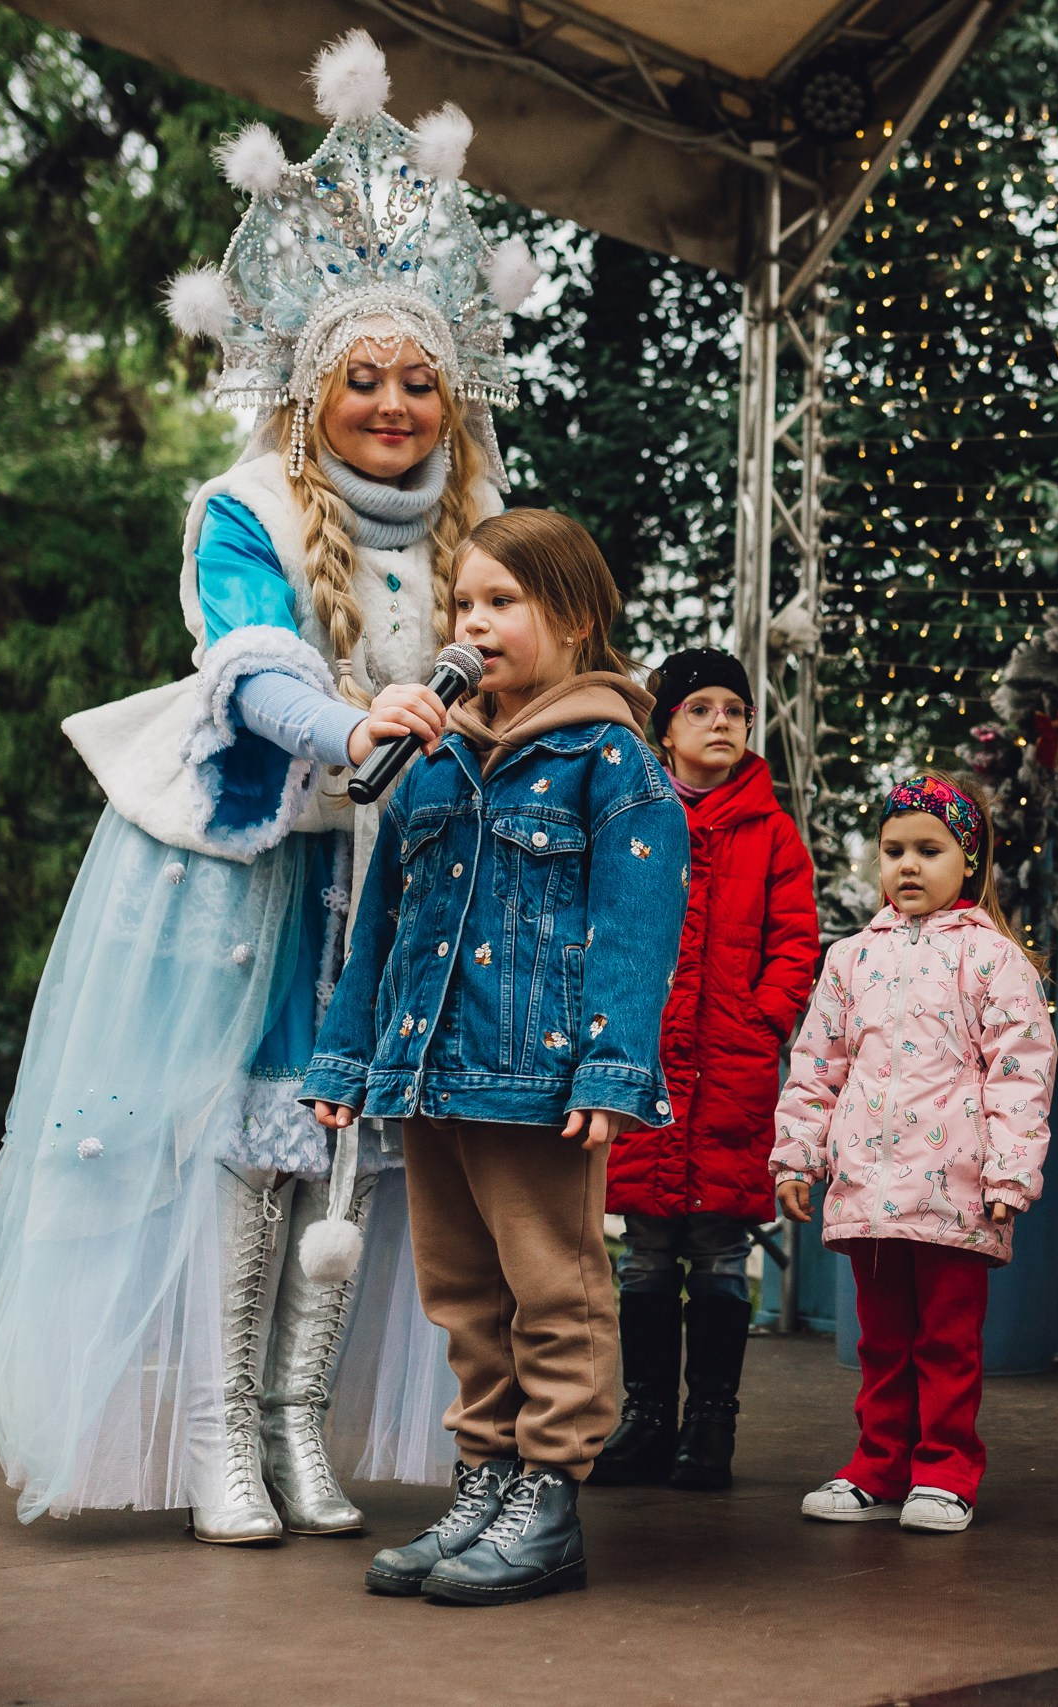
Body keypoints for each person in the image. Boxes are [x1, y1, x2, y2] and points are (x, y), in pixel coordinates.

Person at [0, 31, 535, 1542]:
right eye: (363, 379)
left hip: (400, 877)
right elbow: (252, 671)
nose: (393, 404)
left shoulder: (481, 517)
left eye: (418, 382)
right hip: (257, 865)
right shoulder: (246, 506)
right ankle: (215, 1440)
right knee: (248, 1151)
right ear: (314, 387)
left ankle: (299, 1429)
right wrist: (354, 733)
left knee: (362, 1159)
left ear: (452, 396)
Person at [305, 509, 688, 1607]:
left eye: (502, 602)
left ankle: (550, 1497)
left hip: (540, 1082)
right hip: (431, 1070)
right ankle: (485, 1476)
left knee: (551, 1287)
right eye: (463, 603)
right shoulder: (433, 760)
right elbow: (377, 920)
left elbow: (635, 926)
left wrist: (611, 1073)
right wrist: (346, 1060)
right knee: (462, 1292)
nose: (473, 623)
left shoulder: (610, 763)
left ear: (573, 618)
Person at [772, 771, 1056, 1536]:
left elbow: (1022, 1070)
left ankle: (946, 1468)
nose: (907, 865)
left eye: (929, 849)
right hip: (867, 1187)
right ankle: (878, 1462)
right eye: (893, 848)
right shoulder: (850, 959)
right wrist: (797, 1157)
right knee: (881, 1337)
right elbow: (817, 1062)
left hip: (956, 1189)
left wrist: (1009, 1173)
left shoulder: (994, 960)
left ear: (969, 860)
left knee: (947, 1339)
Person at [592, 648, 819, 1492]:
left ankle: (711, 1421)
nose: (721, 721)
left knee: (722, 1246)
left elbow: (795, 939)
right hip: (646, 1064)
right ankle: (645, 1414)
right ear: (665, 726)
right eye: (701, 709)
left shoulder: (772, 829)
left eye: (735, 708)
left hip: (730, 1061)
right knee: (647, 1249)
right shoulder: (634, 816)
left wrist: (762, 1018)